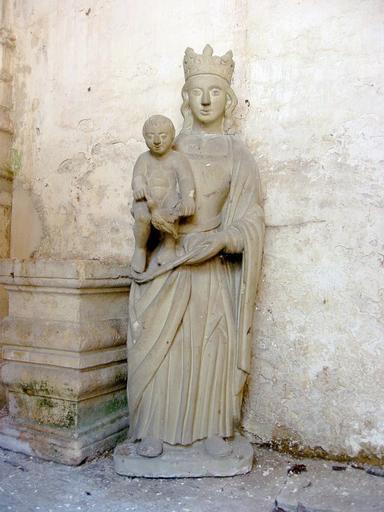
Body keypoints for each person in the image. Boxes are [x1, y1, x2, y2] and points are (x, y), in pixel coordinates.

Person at [127, 45, 264, 459]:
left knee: (210, 348)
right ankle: (154, 428)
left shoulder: (238, 155)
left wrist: (223, 240)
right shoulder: (167, 146)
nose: (206, 100)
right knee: (160, 345)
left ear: (228, 99)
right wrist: (147, 218)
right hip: (169, 261)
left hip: (212, 266)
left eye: (215, 91)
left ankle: (212, 428)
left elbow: (251, 219)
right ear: (186, 98)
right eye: (197, 91)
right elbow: (142, 200)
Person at [131, 115, 195, 273]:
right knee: (142, 216)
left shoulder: (178, 159)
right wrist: (139, 186)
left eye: (163, 135)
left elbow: (186, 179)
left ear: (172, 137)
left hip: (168, 197)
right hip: (147, 199)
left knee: (174, 204)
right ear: (144, 137)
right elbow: (137, 177)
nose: (157, 141)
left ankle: (169, 246)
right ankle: (140, 248)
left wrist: (188, 198)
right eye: (151, 136)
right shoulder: (144, 159)